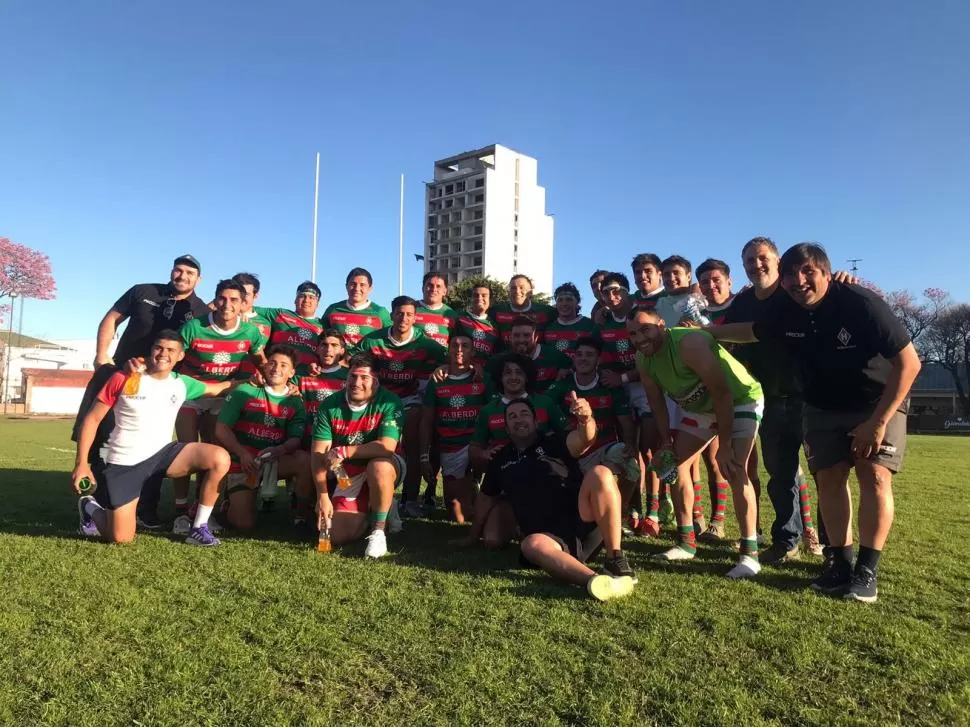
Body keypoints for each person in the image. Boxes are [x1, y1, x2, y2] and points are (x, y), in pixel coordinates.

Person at [711, 243, 920, 602]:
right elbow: (750, 331)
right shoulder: (785, 309)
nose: (798, 280)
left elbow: (910, 364)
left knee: (874, 475)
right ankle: (840, 563)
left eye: (808, 271)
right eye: (791, 274)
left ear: (826, 272)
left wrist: (878, 422)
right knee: (829, 479)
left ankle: (866, 571)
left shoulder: (860, 302)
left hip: (876, 400)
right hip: (821, 406)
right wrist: (700, 334)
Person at [71, 254, 210, 523]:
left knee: (153, 446)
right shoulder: (143, 291)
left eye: (189, 273)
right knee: (102, 437)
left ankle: (145, 510)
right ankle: (94, 500)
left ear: (198, 279)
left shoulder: (201, 311)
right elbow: (111, 318)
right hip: (120, 377)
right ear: (172, 271)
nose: (182, 276)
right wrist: (102, 356)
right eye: (178, 270)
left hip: (156, 388)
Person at [627, 308, 765, 579]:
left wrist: (724, 446)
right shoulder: (643, 358)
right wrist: (666, 441)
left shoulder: (689, 342)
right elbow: (656, 402)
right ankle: (687, 542)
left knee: (734, 468)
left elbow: (722, 392)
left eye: (645, 329)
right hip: (701, 409)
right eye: (632, 333)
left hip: (739, 399)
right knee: (672, 466)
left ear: (661, 325)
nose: (640, 338)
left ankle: (750, 554)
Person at [459, 396, 637, 601]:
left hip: (583, 522)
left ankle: (615, 559)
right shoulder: (500, 459)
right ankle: (597, 582)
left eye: (524, 414)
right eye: (512, 417)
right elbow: (485, 498)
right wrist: (473, 537)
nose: (519, 419)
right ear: (507, 429)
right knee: (530, 544)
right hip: (550, 540)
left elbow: (585, 438)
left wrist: (586, 419)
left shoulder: (554, 441)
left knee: (600, 473)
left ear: (536, 422)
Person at [72, 330, 232, 547]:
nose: (163, 354)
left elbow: (219, 388)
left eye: (170, 350)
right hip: (125, 462)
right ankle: (89, 507)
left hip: (164, 454)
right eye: (159, 348)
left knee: (219, 458)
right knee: (121, 538)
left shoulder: (182, 383)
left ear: (180, 356)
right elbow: (91, 420)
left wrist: (252, 380)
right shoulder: (124, 377)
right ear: (151, 350)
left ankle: (198, 528)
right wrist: (82, 464)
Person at [170, 278, 268, 534]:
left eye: (234, 299)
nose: (227, 304)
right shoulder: (194, 327)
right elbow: (173, 357)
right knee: (185, 453)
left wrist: (281, 384)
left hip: (221, 398)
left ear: (243, 303)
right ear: (215, 299)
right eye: (222, 298)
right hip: (191, 395)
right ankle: (180, 512)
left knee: (213, 458)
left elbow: (261, 363)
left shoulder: (250, 332)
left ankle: (202, 511)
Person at [350, 295, 447, 516]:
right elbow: (350, 361)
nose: (404, 318)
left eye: (409, 314)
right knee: (370, 444)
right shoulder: (373, 340)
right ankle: (365, 494)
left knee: (412, 435)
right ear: (391, 315)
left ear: (415, 318)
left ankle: (410, 499)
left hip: (410, 400)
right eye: (399, 313)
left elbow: (447, 362)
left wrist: (443, 368)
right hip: (378, 401)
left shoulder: (427, 344)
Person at [311, 352, 406, 559]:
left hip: (386, 464)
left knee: (378, 466)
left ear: (377, 382)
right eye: (353, 376)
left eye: (365, 378)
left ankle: (378, 531)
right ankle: (379, 505)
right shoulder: (330, 404)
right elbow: (318, 454)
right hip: (347, 471)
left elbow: (387, 447)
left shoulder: (390, 402)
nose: (357, 382)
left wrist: (345, 450)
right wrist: (323, 496)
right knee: (336, 535)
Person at [214, 345, 314, 531]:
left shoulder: (295, 401)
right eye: (273, 363)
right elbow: (221, 428)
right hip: (244, 461)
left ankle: (301, 517)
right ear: (264, 366)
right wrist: (242, 454)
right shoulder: (245, 391)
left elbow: (296, 439)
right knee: (244, 524)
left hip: (272, 460)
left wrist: (279, 450)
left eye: (284, 365)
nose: (277, 368)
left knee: (305, 460)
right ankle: (229, 503)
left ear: (292, 372)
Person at [595, 272, 661, 536]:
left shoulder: (642, 316)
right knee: (628, 450)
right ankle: (632, 508)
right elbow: (606, 358)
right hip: (622, 392)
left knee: (650, 450)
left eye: (616, 291)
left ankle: (653, 511)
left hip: (647, 388)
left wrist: (623, 376)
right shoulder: (605, 322)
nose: (612, 297)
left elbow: (652, 357)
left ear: (626, 291)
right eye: (605, 293)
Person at [693, 259, 748, 543]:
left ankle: (764, 531)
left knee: (755, 465)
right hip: (710, 396)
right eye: (704, 282)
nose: (711, 286)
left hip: (749, 393)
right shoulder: (697, 313)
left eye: (716, 280)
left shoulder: (743, 305)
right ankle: (715, 522)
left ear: (729, 281)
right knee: (715, 459)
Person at [547, 337, 639, 496]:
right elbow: (544, 406)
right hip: (572, 449)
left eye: (589, 355)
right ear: (574, 358)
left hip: (604, 447)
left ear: (598, 359)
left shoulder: (609, 385)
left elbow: (626, 422)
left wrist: (630, 443)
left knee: (631, 464)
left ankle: (621, 506)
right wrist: (562, 423)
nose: (583, 358)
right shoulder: (563, 383)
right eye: (580, 354)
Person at [419, 332, 488, 523]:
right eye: (454, 346)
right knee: (459, 517)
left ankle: (481, 483)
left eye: (465, 346)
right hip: (451, 447)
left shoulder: (483, 379)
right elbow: (426, 420)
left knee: (483, 459)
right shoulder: (438, 380)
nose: (459, 349)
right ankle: (469, 487)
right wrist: (424, 457)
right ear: (448, 351)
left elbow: (495, 415)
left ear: (473, 351)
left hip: (478, 445)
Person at [253, 281, 324, 376]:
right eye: (302, 296)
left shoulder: (323, 326)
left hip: (305, 378)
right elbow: (249, 309)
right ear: (295, 300)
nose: (306, 300)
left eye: (311, 297)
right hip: (277, 374)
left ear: (317, 303)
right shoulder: (280, 314)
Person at [294, 329, 348, 445]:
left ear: (342, 351)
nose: (328, 350)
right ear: (317, 349)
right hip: (306, 441)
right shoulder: (302, 375)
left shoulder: (350, 377)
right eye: (324, 345)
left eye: (334, 345)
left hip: (338, 442)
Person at [321, 267, 392, 347]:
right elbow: (321, 338)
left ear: (370, 288)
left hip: (367, 359)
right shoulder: (333, 310)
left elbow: (390, 341)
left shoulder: (380, 312)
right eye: (353, 284)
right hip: (338, 359)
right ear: (346, 286)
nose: (357, 288)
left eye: (362, 285)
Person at [508, 315, 572, 394]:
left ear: (536, 337)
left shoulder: (555, 356)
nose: (521, 340)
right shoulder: (503, 360)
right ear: (510, 337)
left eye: (526, 335)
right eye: (516, 335)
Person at [490, 274, 555, 345]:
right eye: (513, 288)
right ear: (508, 293)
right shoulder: (495, 311)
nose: (517, 291)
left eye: (522, 288)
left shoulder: (547, 311)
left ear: (530, 292)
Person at [542, 282, 597, 359]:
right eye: (560, 300)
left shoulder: (590, 325)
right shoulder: (549, 328)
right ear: (556, 304)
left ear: (577, 303)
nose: (564, 304)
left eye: (569, 300)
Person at [455, 283, 498, 365]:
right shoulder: (460, 318)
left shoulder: (494, 326)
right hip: (461, 370)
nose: (479, 298)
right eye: (476, 295)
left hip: (483, 373)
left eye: (484, 295)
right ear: (471, 299)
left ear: (491, 301)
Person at [415, 272, 458, 347]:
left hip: (442, 358)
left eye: (438, 286)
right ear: (422, 288)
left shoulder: (451, 315)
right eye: (430, 285)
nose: (434, 289)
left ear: (445, 291)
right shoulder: (411, 309)